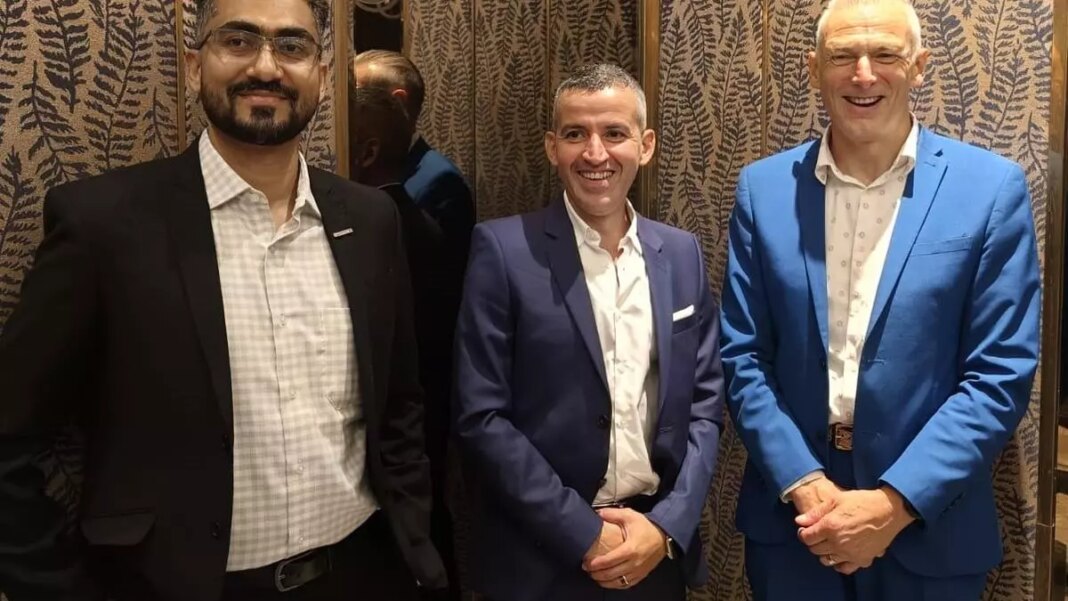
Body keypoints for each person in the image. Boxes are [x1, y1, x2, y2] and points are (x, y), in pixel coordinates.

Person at [0, 0, 445, 599]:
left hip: (364, 572)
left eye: (292, 47)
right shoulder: (103, 225)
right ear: (193, 66)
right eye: (238, 41)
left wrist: (413, 536)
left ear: (320, 71)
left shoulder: (371, 220)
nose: (266, 67)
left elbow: (400, 403)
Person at [719, 1, 1040, 600]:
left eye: (885, 54)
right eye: (842, 56)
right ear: (815, 69)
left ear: (919, 67)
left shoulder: (992, 189)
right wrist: (804, 482)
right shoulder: (762, 190)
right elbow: (743, 357)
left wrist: (893, 504)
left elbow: (999, 375)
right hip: (795, 524)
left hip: (929, 525)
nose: (863, 73)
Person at [453, 63, 724, 601]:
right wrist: (584, 532)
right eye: (576, 134)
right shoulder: (502, 251)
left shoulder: (683, 254)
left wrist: (668, 524)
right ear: (553, 147)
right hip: (541, 558)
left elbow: (706, 405)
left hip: (654, 554)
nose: (595, 154)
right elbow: (481, 416)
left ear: (645, 146)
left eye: (614, 134)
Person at [352, 50, 473, 601]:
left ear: (396, 105)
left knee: (418, 508)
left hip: (424, 375)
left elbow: (426, 299)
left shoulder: (435, 183)